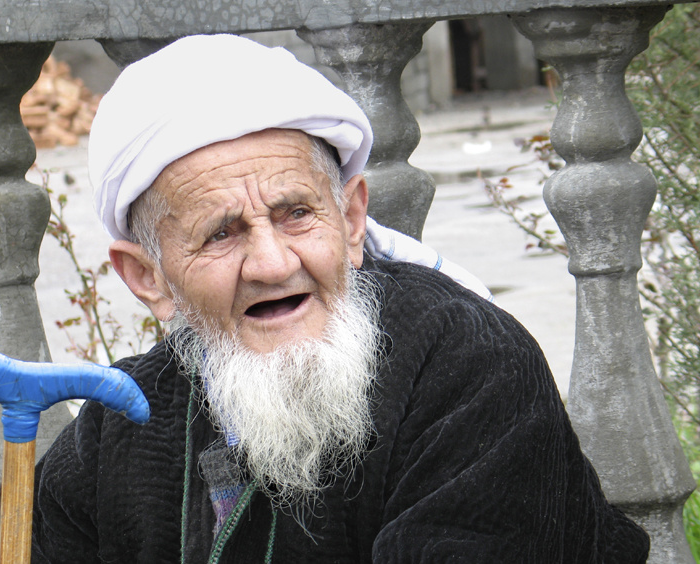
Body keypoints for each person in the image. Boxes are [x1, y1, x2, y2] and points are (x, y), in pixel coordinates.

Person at [32, 34, 649, 563]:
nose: (274, 264)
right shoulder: (111, 435)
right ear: (148, 278)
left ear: (351, 220)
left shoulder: (471, 364)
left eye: (297, 214)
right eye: (221, 234)